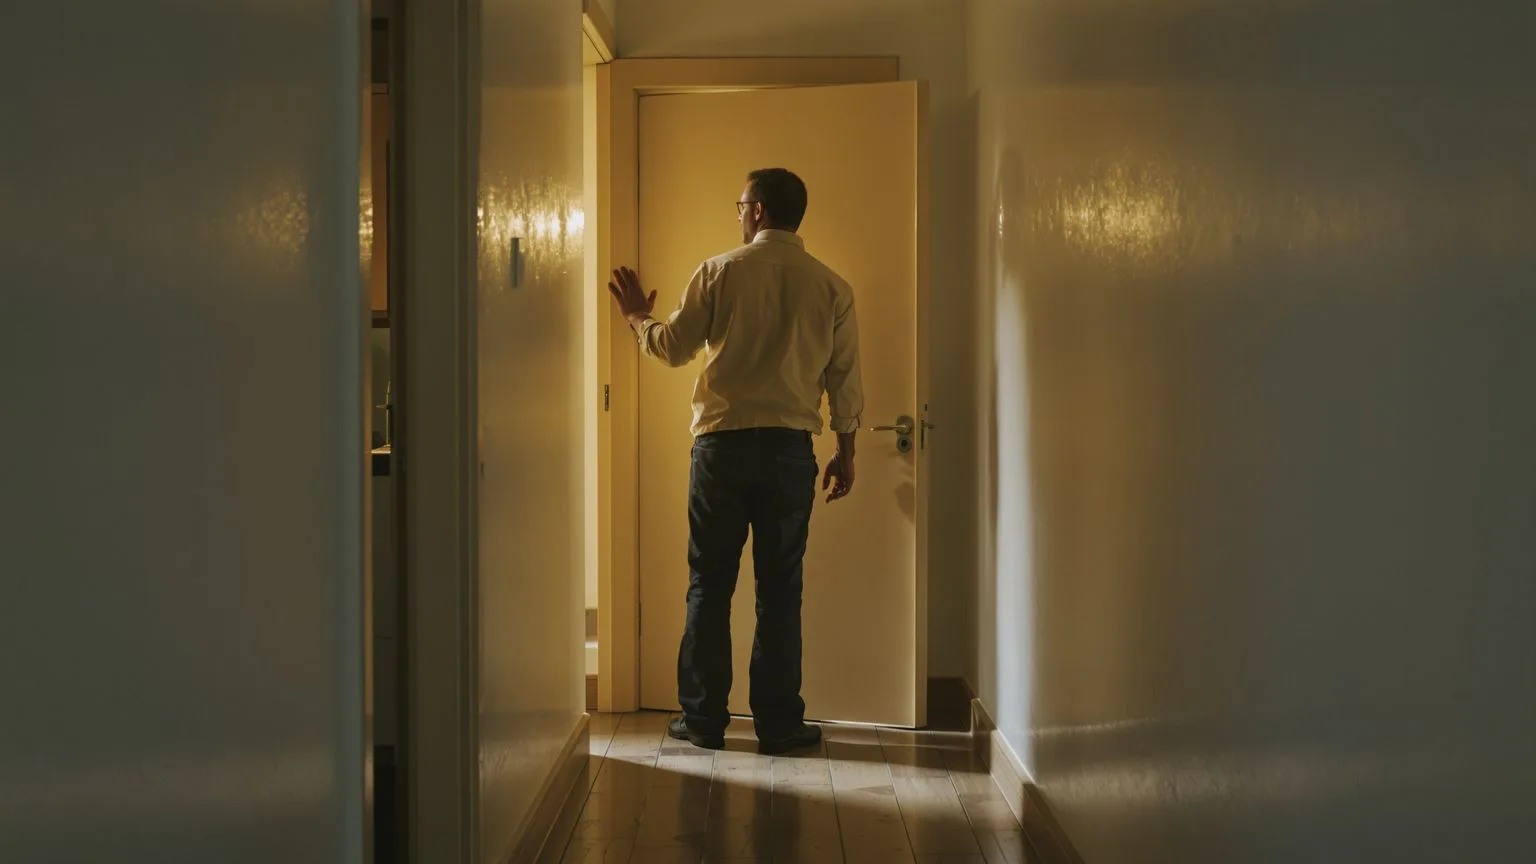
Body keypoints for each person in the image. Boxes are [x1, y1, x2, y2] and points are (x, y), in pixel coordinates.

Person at [606, 167, 864, 755]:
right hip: (789, 452)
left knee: (709, 585)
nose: (738, 213)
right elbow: (844, 381)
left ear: (759, 211)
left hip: (721, 449)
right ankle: (778, 726)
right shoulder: (832, 287)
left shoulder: (718, 271)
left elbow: (672, 348)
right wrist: (845, 452)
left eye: (740, 204)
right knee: (779, 592)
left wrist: (635, 319)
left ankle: (702, 722)